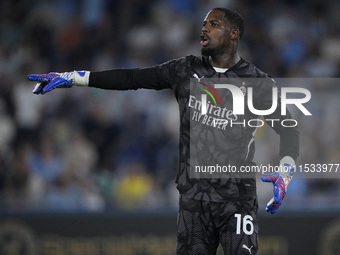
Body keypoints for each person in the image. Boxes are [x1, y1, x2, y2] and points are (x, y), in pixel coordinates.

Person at [27, 8, 299, 255]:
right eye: (203, 24)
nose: (204, 29)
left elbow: (289, 130)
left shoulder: (257, 82)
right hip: (194, 203)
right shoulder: (184, 69)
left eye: (213, 24)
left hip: (237, 199)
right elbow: (131, 79)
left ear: (233, 34)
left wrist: (285, 172)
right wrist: (74, 77)